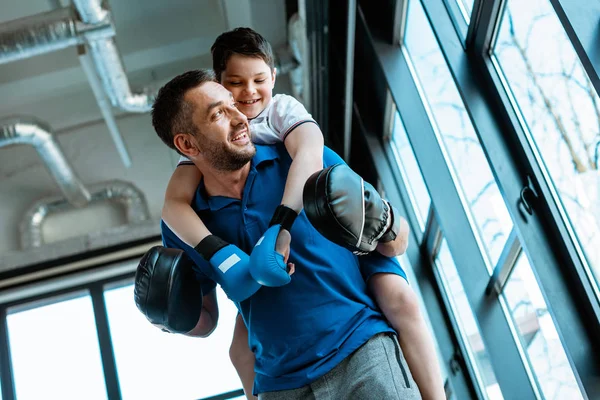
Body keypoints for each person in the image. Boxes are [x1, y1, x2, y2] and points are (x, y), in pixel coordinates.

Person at [157, 28, 444, 400]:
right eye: (220, 112)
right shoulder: (187, 218)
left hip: (360, 352)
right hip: (280, 386)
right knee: (238, 350)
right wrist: (166, 314)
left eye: (234, 103)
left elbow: (395, 241)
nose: (241, 113)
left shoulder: (305, 159)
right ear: (187, 144)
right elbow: (204, 321)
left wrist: (383, 222)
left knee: (400, 297)